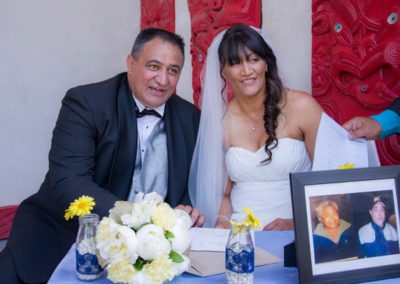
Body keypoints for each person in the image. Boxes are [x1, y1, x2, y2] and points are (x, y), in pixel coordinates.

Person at [0, 28, 204, 284]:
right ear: (131, 63)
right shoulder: (86, 103)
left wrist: (184, 211)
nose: (163, 79)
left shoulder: (190, 118)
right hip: (62, 239)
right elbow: (69, 182)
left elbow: (188, 186)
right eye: (154, 66)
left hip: (148, 256)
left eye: (173, 70)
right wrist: (137, 220)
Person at [189, 24, 323, 229]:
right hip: (241, 236)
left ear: (266, 63)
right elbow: (223, 194)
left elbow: (330, 180)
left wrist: (297, 223)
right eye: (235, 63)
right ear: (223, 71)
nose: (246, 71)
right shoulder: (220, 121)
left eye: (254, 59)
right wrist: (222, 225)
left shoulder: (303, 107)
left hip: (300, 232)